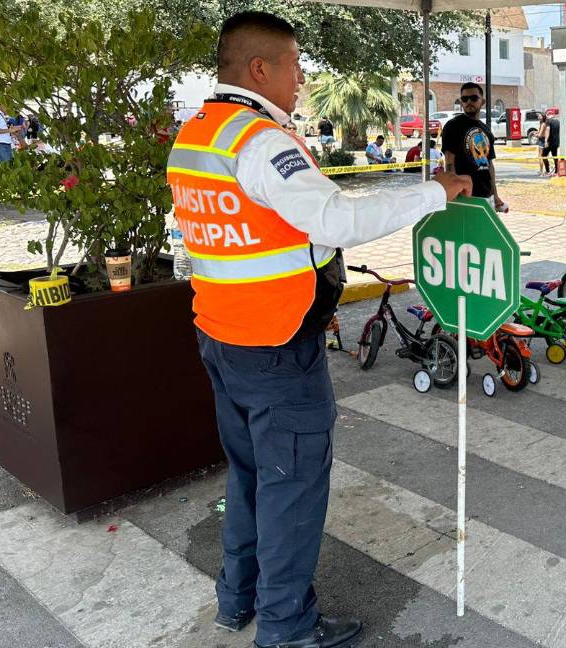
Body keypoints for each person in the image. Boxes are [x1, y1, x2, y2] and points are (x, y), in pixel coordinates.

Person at [165, 13, 472, 648]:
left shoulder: (196, 134)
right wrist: (433, 194)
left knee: (251, 475)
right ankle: (285, 627)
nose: (302, 79)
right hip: (277, 348)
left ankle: (237, 599)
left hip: (221, 337)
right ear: (260, 69)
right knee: (292, 490)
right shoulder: (259, 143)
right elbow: (334, 220)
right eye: (296, 65)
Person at [442, 82, 504, 209]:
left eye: (474, 98)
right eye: (465, 99)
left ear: (482, 101)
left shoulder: (486, 130)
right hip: (464, 195)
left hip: (486, 194)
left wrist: (495, 194)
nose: (469, 102)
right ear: (461, 102)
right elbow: (449, 162)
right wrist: (454, 192)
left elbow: (489, 165)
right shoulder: (453, 126)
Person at [542, 111, 561, 175]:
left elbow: (548, 131)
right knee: (555, 156)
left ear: (548, 115)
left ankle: (547, 170)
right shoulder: (558, 122)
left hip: (550, 142)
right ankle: (556, 171)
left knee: (543, 155)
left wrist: (546, 141)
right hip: (556, 142)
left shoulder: (548, 121)